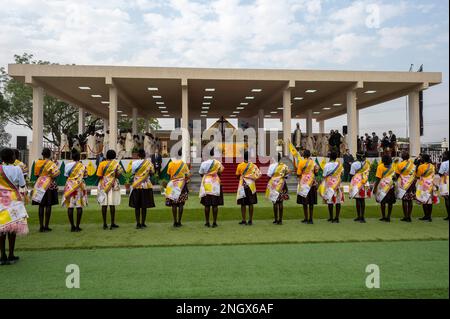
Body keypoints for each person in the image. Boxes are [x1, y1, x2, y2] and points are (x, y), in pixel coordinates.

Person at [0, 148, 29, 265]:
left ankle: (2, 256)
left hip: (1, 199)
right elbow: (22, 185)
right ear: (12, 158)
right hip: (13, 200)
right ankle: (11, 255)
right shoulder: (17, 169)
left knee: (1, 229)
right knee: (12, 229)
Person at [31, 148, 60, 232]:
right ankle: (46, 226)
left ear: (42, 155)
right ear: (49, 154)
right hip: (48, 184)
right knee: (48, 204)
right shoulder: (51, 163)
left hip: (40, 183)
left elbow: (36, 174)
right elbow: (56, 173)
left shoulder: (37, 163)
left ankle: (41, 226)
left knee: (41, 205)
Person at [96, 150, 124, 230]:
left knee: (104, 204)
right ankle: (112, 223)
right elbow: (118, 175)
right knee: (112, 204)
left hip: (103, 185)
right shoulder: (116, 164)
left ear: (107, 156)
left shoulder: (102, 164)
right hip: (113, 185)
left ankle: (104, 224)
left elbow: (99, 175)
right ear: (114, 156)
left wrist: (105, 179)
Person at [62, 150, 88, 232]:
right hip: (79, 186)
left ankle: (72, 226)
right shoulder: (83, 166)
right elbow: (86, 176)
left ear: (72, 157)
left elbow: (66, 176)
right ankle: (77, 226)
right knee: (79, 206)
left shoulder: (67, 165)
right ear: (79, 157)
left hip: (70, 186)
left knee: (70, 206)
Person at [129, 149, 156, 229]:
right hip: (146, 185)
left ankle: (138, 223)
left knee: (137, 206)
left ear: (138, 155)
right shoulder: (149, 163)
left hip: (137, 185)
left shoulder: (134, 163)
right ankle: (143, 223)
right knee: (144, 205)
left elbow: (133, 173)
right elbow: (152, 172)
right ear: (145, 155)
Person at [165, 151, 191, 227]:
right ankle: (179, 221)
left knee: (173, 204)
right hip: (181, 185)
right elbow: (188, 175)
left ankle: (174, 221)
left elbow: (168, 174)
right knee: (181, 203)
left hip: (173, 184)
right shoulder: (184, 164)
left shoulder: (170, 164)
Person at [236, 151, 261, 226]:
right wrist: (252, 178)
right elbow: (259, 174)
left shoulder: (240, 165)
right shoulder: (253, 166)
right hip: (251, 185)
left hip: (243, 184)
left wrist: (242, 177)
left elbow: (237, 176)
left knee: (243, 203)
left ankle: (244, 220)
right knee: (251, 203)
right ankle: (250, 220)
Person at [199, 155, 224, 228]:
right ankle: (214, 222)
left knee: (207, 205)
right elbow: (220, 172)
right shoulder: (218, 162)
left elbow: (200, 173)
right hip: (215, 183)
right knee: (215, 204)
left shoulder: (204, 163)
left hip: (207, 182)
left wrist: (207, 175)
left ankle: (207, 222)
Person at [319, 151, 344, 223]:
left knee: (330, 200)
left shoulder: (327, 165)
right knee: (338, 201)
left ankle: (331, 217)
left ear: (330, 157)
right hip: (338, 183)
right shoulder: (340, 165)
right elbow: (342, 173)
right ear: (336, 157)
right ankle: (337, 218)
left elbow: (324, 175)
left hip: (329, 183)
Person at [266, 154, 290, 225]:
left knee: (275, 201)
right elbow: (286, 176)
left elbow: (269, 176)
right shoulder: (284, 166)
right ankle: (280, 220)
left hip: (274, 184)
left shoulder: (272, 166)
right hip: (282, 184)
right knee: (281, 202)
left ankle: (276, 219)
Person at [296, 150, 319, 224]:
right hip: (311, 183)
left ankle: (306, 218)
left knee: (304, 201)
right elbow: (316, 172)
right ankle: (311, 219)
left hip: (304, 183)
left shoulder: (301, 162)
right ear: (309, 155)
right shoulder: (313, 162)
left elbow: (298, 174)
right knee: (311, 201)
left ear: (303, 155)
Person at [349, 152, 371, 223]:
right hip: (364, 182)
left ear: (357, 156)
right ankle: (362, 217)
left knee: (358, 200)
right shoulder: (367, 164)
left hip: (356, 182)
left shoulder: (354, 164)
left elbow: (351, 174)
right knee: (362, 199)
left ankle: (359, 216)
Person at [395, 152, 417, 222]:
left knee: (404, 199)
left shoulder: (400, 165)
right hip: (411, 183)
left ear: (402, 157)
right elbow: (414, 174)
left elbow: (397, 175)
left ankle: (405, 216)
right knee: (410, 200)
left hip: (403, 183)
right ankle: (409, 216)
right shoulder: (413, 165)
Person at [373, 155, 396, 222]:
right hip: (390, 186)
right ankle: (388, 217)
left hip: (382, 186)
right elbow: (394, 177)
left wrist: (375, 188)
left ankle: (383, 216)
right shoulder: (393, 166)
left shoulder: (380, 167)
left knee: (382, 201)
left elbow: (378, 178)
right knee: (390, 202)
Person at [416, 154, 437, 222]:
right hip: (430, 183)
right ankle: (429, 216)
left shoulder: (421, 166)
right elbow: (433, 174)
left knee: (424, 200)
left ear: (423, 159)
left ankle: (426, 216)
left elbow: (418, 175)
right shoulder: (432, 166)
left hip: (423, 184)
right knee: (429, 200)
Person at [438, 151, 449, 220]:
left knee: (447, 198)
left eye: (444, 154)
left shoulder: (444, 163)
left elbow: (440, 173)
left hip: (445, 180)